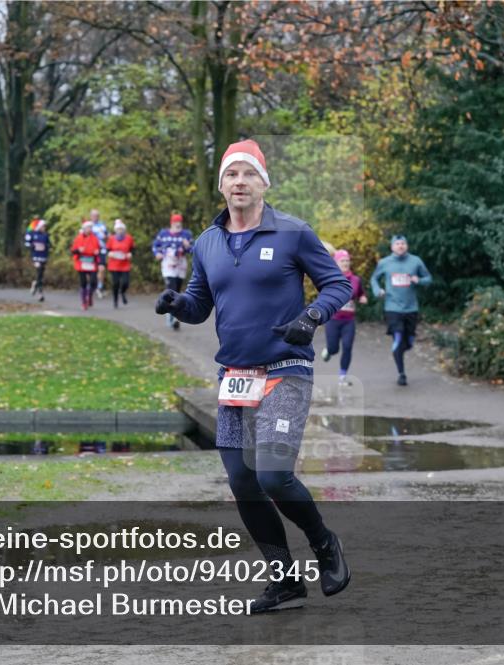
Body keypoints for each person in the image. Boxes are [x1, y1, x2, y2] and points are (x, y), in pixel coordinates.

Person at [154, 139, 353, 613]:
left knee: (274, 475)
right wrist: (177, 304)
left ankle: (324, 544)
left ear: (264, 182)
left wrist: (311, 318)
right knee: (243, 481)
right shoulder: (206, 242)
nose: (239, 182)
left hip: (286, 369)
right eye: (231, 175)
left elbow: (338, 284)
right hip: (235, 376)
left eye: (248, 174)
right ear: (220, 185)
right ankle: (285, 579)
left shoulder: (293, 232)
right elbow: (201, 303)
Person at [370, 235, 432, 386]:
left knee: (409, 342)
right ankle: (401, 373)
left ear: (407, 246)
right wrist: (378, 290)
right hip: (392, 308)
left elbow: (428, 278)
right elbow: (374, 279)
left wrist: (420, 280)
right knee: (398, 338)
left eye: (403, 243)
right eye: (397, 244)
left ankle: (401, 350)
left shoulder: (415, 261)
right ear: (392, 247)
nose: (400, 246)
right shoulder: (385, 263)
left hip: (411, 308)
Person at [320, 249, 367, 385]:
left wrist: (363, 298)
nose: (346, 263)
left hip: (348, 321)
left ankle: (342, 376)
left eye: (347, 261)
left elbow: (360, 293)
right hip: (333, 320)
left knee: (347, 347)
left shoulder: (356, 280)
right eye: (342, 261)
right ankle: (329, 350)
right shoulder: (331, 279)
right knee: (334, 349)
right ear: (336, 262)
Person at [151, 212, 193, 330]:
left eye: (179, 222)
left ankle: (174, 315)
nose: (178, 225)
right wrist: (157, 253)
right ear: (172, 223)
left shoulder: (186, 234)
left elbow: (193, 249)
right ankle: (172, 318)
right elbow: (155, 245)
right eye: (176, 222)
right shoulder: (163, 234)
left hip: (180, 264)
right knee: (171, 289)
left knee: (177, 291)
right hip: (168, 264)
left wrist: (187, 246)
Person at [70, 220, 101, 310]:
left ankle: (89, 296)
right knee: (83, 283)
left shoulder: (95, 238)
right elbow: (73, 251)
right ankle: (84, 302)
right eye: (87, 227)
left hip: (92, 263)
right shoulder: (78, 238)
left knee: (93, 282)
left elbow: (99, 250)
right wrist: (78, 250)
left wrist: (97, 252)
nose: (89, 229)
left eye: (90, 228)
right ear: (83, 228)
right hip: (81, 263)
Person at [105, 219, 134, 308]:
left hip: (125, 264)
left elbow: (132, 249)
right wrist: (110, 253)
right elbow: (107, 249)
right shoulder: (111, 238)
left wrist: (130, 254)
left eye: (121, 229)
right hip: (114, 265)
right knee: (115, 283)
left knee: (125, 283)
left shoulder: (129, 238)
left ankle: (122, 292)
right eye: (118, 229)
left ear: (124, 230)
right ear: (116, 230)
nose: (120, 231)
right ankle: (115, 301)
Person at [24, 218, 51, 302]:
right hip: (35, 256)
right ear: (39, 226)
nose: (44, 228)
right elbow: (27, 243)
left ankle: (35, 284)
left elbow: (49, 244)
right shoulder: (32, 234)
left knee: (41, 275)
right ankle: (40, 294)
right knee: (39, 272)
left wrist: (47, 247)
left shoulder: (46, 235)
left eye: (45, 226)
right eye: (43, 226)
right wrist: (33, 246)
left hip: (44, 257)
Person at [88, 209, 108, 299]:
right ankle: (91, 286)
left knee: (102, 269)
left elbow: (108, 237)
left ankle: (99, 287)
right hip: (90, 251)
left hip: (101, 250)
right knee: (90, 271)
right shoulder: (87, 225)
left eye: (97, 215)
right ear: (90, 216)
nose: (95, 217)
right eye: (93, 215)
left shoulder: (102, 226)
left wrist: (105, 237)